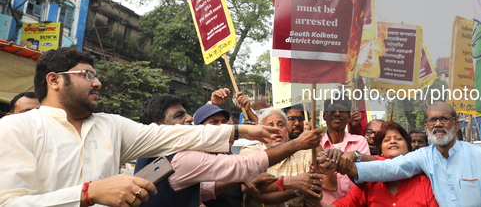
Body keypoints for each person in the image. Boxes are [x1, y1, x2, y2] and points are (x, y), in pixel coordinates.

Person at [0, 47, 277, 206]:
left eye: (96, 76)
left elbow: (169, 135)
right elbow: (10, 203)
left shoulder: (111, 126)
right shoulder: (17, 129)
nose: (97, 83)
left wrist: (239, 130)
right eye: (87, 75)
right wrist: (88, 193)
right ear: (54, 80)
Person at [342, 101, 481, 206]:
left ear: (456, 124)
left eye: (443, 119)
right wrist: (350, 165)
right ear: (425, 128)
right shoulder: (424, 156)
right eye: (432, 121)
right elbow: (391, 167)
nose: (438, 125)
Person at [135, 96, 322, 207]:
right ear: (158, 127)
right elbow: (247, 165)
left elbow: (204, 190)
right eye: (179, 116)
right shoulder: (180, 159)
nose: (188, 118)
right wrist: (298, 144)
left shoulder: (154, 153)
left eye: (224, 122)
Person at [241, 108, 334, 207]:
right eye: (270, 126)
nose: (277, 130)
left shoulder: (303, 155)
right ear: (261, 132)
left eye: (281, 125)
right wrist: (294, 186)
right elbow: (255, 191)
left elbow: (329, 185)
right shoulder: (249, 153)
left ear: (287, 130)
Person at [329, 122, 438, 206]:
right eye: (387, 140)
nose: (393, 141)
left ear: (409, 149)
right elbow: (344, 204)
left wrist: (346, 161)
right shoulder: (370, 183)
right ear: (380, 151)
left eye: (398, 139)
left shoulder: (425, 183)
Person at [319, 98, 370, 206]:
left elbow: (365, 175)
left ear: (349, 117)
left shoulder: (359, 142)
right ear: (324, 116)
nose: (337, 114)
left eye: (342, 111)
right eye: (332, 110)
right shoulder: (315, 144)